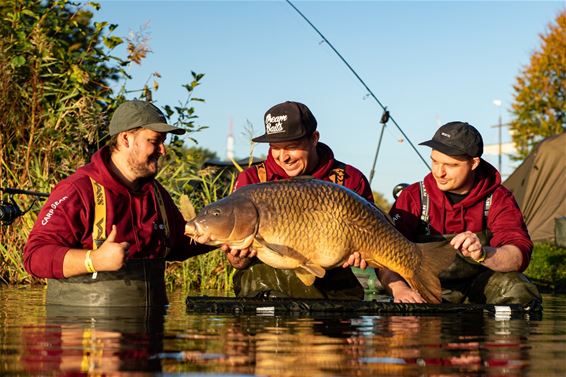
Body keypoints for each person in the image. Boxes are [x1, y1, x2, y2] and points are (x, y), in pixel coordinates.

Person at [24, 100, 212, 307]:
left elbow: (179, 245)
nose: (162, 150)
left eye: (163, 142)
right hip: (83, 327)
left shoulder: (157, 193)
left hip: (151, 330)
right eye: (155, 140)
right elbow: (35, 256)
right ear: (125, 139)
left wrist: (227, 238)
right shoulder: (78, 190)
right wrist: (93, 260)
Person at [353, 121, 541, 305]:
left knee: (519, 289)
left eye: (450, 165)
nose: (439, 172)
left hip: (479, 287)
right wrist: (401, 290)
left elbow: (518, 256)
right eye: (435, 161)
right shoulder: (413, 196)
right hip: (421, 287)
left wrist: (483, 253)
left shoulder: (499, 198)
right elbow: (384, 256)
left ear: (474, 163)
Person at [224, 100, 375, 300]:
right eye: (275, 148)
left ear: (314, 138)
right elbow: (238, 263)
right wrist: (236, 257)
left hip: (332, 295)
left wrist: (364, 254)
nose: (283, 157)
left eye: (292, 147)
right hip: (265, 296)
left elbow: (378, 238)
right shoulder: (252, 181)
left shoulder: (349, 179)